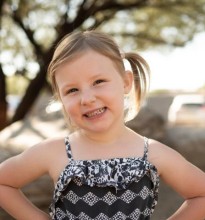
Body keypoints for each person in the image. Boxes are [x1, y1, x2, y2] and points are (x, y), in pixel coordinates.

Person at [0, 30, 205, 220]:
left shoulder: (153, 154)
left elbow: (201, 194)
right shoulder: (54, 151)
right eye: (72, 90)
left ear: (126, 82)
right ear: (60, 98)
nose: (87, 98)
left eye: (98, 82)